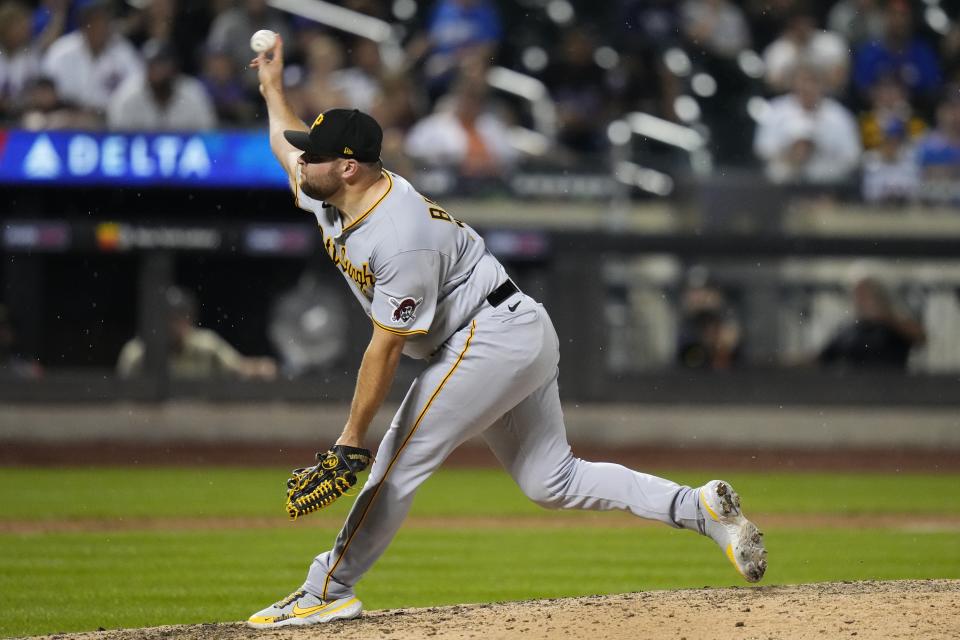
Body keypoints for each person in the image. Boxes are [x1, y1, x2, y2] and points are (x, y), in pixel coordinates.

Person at [243, 34, 767, 628]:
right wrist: (272, 89)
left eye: (312, 154)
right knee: (552, 478)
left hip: (486, 334)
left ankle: (326, 589)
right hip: (512, 329)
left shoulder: (397, 233)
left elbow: (385, 347)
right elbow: (285, 148)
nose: (299, 162)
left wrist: (349, 438)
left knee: (395, 462)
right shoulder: (329, 190)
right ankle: (697, 509)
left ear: (349, 166)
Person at [116, 286, 276, 380]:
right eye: (168, 318)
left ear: (190, 319)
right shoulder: (137, 352)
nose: (174, 325)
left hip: (197, 419)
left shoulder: (207, 345)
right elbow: (120, 397)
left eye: (180, 317)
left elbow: (239, 368)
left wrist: (261, 368)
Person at [754, 64, 861, 184]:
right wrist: (791, 152)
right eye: (803, 81)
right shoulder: (775, 110)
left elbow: (852, 156)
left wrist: (819, 149)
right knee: (777, 171)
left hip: (827, 180)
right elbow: (763, 149)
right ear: (793, 83)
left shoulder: (840, 115)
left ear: (823, 84)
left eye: (813, 81)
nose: (807, 87)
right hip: (784, 178)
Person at [818, 277, 925, 371]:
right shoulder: (849, 330)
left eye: (865, 296)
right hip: (855, 388)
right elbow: (822, 358)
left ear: (878, 296)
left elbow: (920, 337)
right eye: (857, 296)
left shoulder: (892, 325)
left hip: (891, 387)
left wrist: (884, 316)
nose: (860, 301)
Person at [107, 40, 217, 131]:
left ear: (175, 68)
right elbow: (116, 137)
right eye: (152, 66)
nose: (157, 71)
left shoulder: (193, 93)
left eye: (163, 65)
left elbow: (208, 135)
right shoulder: (127, 96)